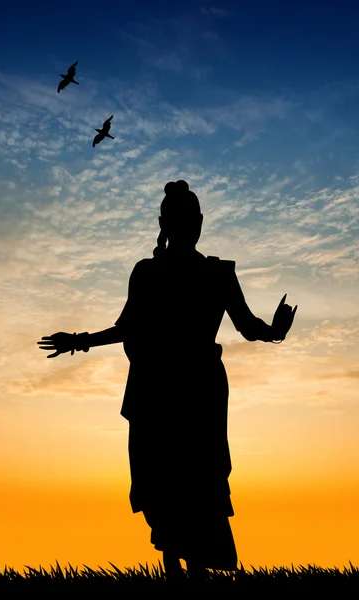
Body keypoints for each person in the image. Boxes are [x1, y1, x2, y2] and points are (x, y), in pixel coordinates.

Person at [38, 180, 297, 582]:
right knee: (173, 474)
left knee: (188, 473)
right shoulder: (166, 272)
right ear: (179, 223)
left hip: (182, 388)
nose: (187, 225)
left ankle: (184, 564)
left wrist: (275, 331)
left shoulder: (198, 272)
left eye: (188, 218)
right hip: (172, 386)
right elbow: (129, 328)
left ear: (186, 223)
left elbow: (244, 327)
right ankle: (179, 563)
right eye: (183, 218)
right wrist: (79, 341)